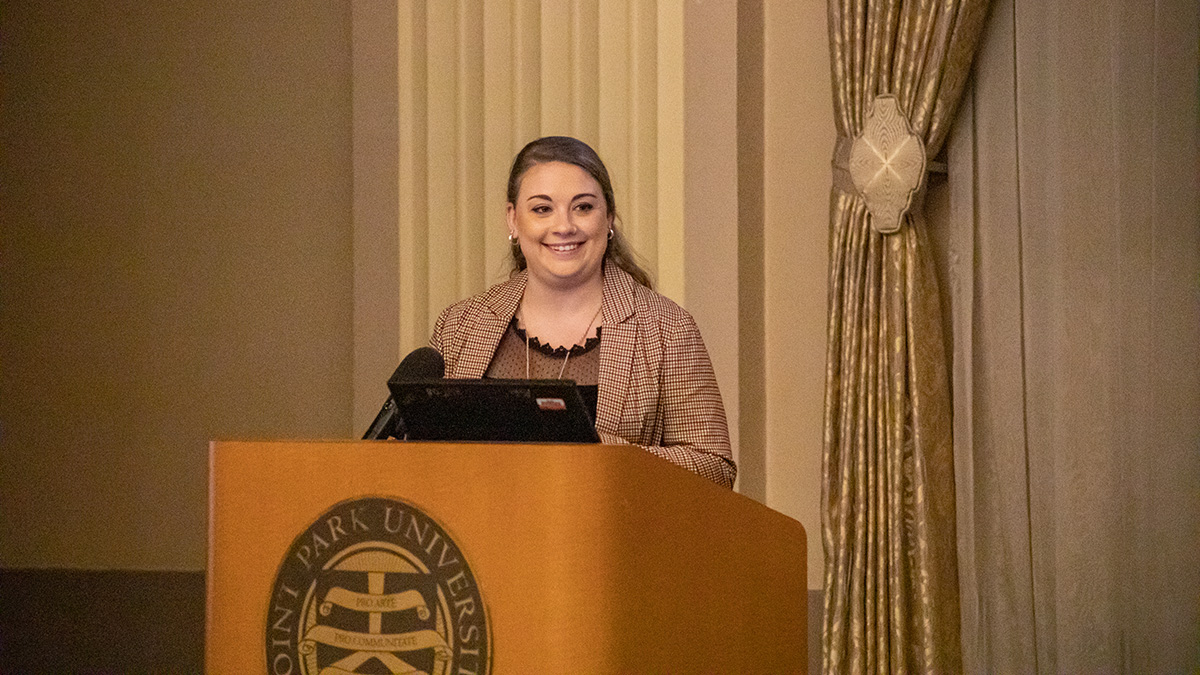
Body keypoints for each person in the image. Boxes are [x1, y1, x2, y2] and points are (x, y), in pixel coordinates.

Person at [430, 136, 736, 488]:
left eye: (583, 207)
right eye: (542, 209)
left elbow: (715, 470)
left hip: (614, 539)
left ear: (609, 218)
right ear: (513, 220)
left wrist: (601, 453)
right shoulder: (460, 325)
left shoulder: (666, 328)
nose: (564, 226)